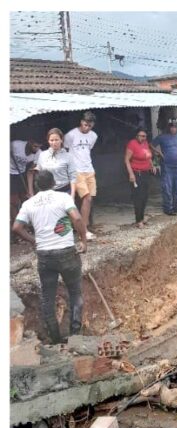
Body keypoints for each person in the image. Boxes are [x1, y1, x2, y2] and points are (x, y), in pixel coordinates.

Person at [12, 170, 88, 344]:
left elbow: (16, 227)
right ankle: (75, 337)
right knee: (75, 293)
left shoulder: (29, 203)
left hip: (45, 255)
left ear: (37, 186)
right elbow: (76, 218)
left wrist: (34, 241)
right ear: (53, 183)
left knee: (48, 298)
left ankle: (55, 339)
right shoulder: (63, 198)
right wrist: (83, 240)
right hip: (67, 252)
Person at [64, 111, 98, 240]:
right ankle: (84, 230)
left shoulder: (94, 136)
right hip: (76, 170)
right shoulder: (71, 135)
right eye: (85, 125)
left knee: (89, 199)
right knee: (87, 198)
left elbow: (88, 151)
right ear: (81, 122)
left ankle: (81, 227)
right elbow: (66, 150)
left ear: (93, 125)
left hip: (89, 169)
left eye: (89, 126)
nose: (87, 128)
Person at [29, 128, 78, 197]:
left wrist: (72, 195)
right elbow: (39, 173)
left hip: (64, 192)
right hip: (47, 193)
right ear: (48, 141)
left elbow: (73, 177)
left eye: (56, 140)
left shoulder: (68, 156)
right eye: (51, 140)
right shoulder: (42, 155)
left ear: (61, 140)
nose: (54, 143)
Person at [152, 119, 177, 216]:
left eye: (175, 127)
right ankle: (168, 208)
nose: (174, 129)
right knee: (167, 187)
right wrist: (159, 152)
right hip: (167, 166)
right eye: (172, 127)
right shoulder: (162, 137)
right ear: (169, 128)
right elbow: (151, 144)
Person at [124, 128, 155, 228]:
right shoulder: (132, 144)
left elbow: (148, 156)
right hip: (137, 173)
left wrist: (152, 165)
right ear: (136, 136)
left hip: (146, 173)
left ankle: (141, 217)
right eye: (141, 136)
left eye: (144, 136)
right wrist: (131, 174)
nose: (143, 138)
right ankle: (138, 220)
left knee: (145, 196)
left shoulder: (145, 143)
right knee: (138, 197)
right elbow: (126, 160)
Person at [10, 139, 41, 233]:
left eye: (39, 146)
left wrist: (30, 191)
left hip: (22, 174)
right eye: (35, 146)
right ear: (30, 142)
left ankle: (27, 226)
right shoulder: (15, 145)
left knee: (26, 200)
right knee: (14, 202)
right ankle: (17, 229)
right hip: (9, 173)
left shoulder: (38, 153)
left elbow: (31, 172)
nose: (37, 149)